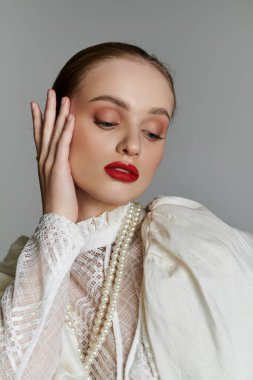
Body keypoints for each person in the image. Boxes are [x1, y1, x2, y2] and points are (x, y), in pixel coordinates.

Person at [0, 42, 253, 380]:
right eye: (108, 121)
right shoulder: (20, 280)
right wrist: (57, 221)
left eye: (153, 132)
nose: (133, 145)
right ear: (56, 124)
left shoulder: (195, 251)